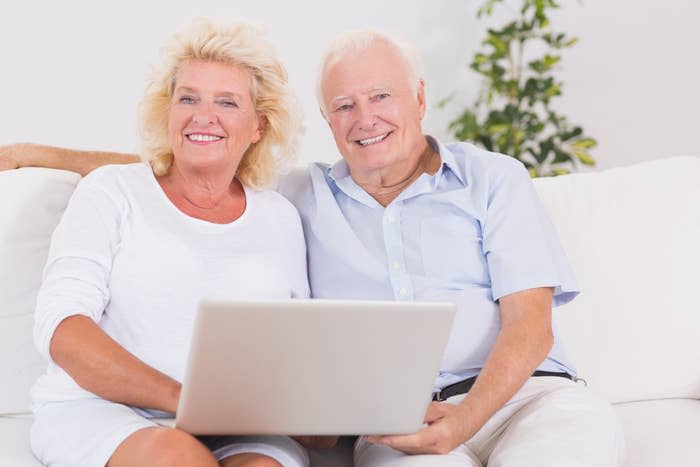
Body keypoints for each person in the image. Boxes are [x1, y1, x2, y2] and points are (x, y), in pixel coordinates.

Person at [1, 29, 625, 467]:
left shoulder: (492, 179)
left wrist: (456, 421)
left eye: (381, 96)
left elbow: (530, 324)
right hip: (400, 418)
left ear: (419, 98)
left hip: (524, 398)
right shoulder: (305, 195)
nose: (365, 118)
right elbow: (191, 160)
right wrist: (38, 156)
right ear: (328, 123)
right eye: (344, 106)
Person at [22, 18, 313, 467]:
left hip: (238, 424)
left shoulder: (279, 216)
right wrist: (186, 401)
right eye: (188, 98)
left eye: (227, 102)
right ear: (168, 110)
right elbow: (63, 330)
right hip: (103, 413)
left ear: (259, 125)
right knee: (175, 454)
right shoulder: (112, 191)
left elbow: (295, 345)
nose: (203, 115)